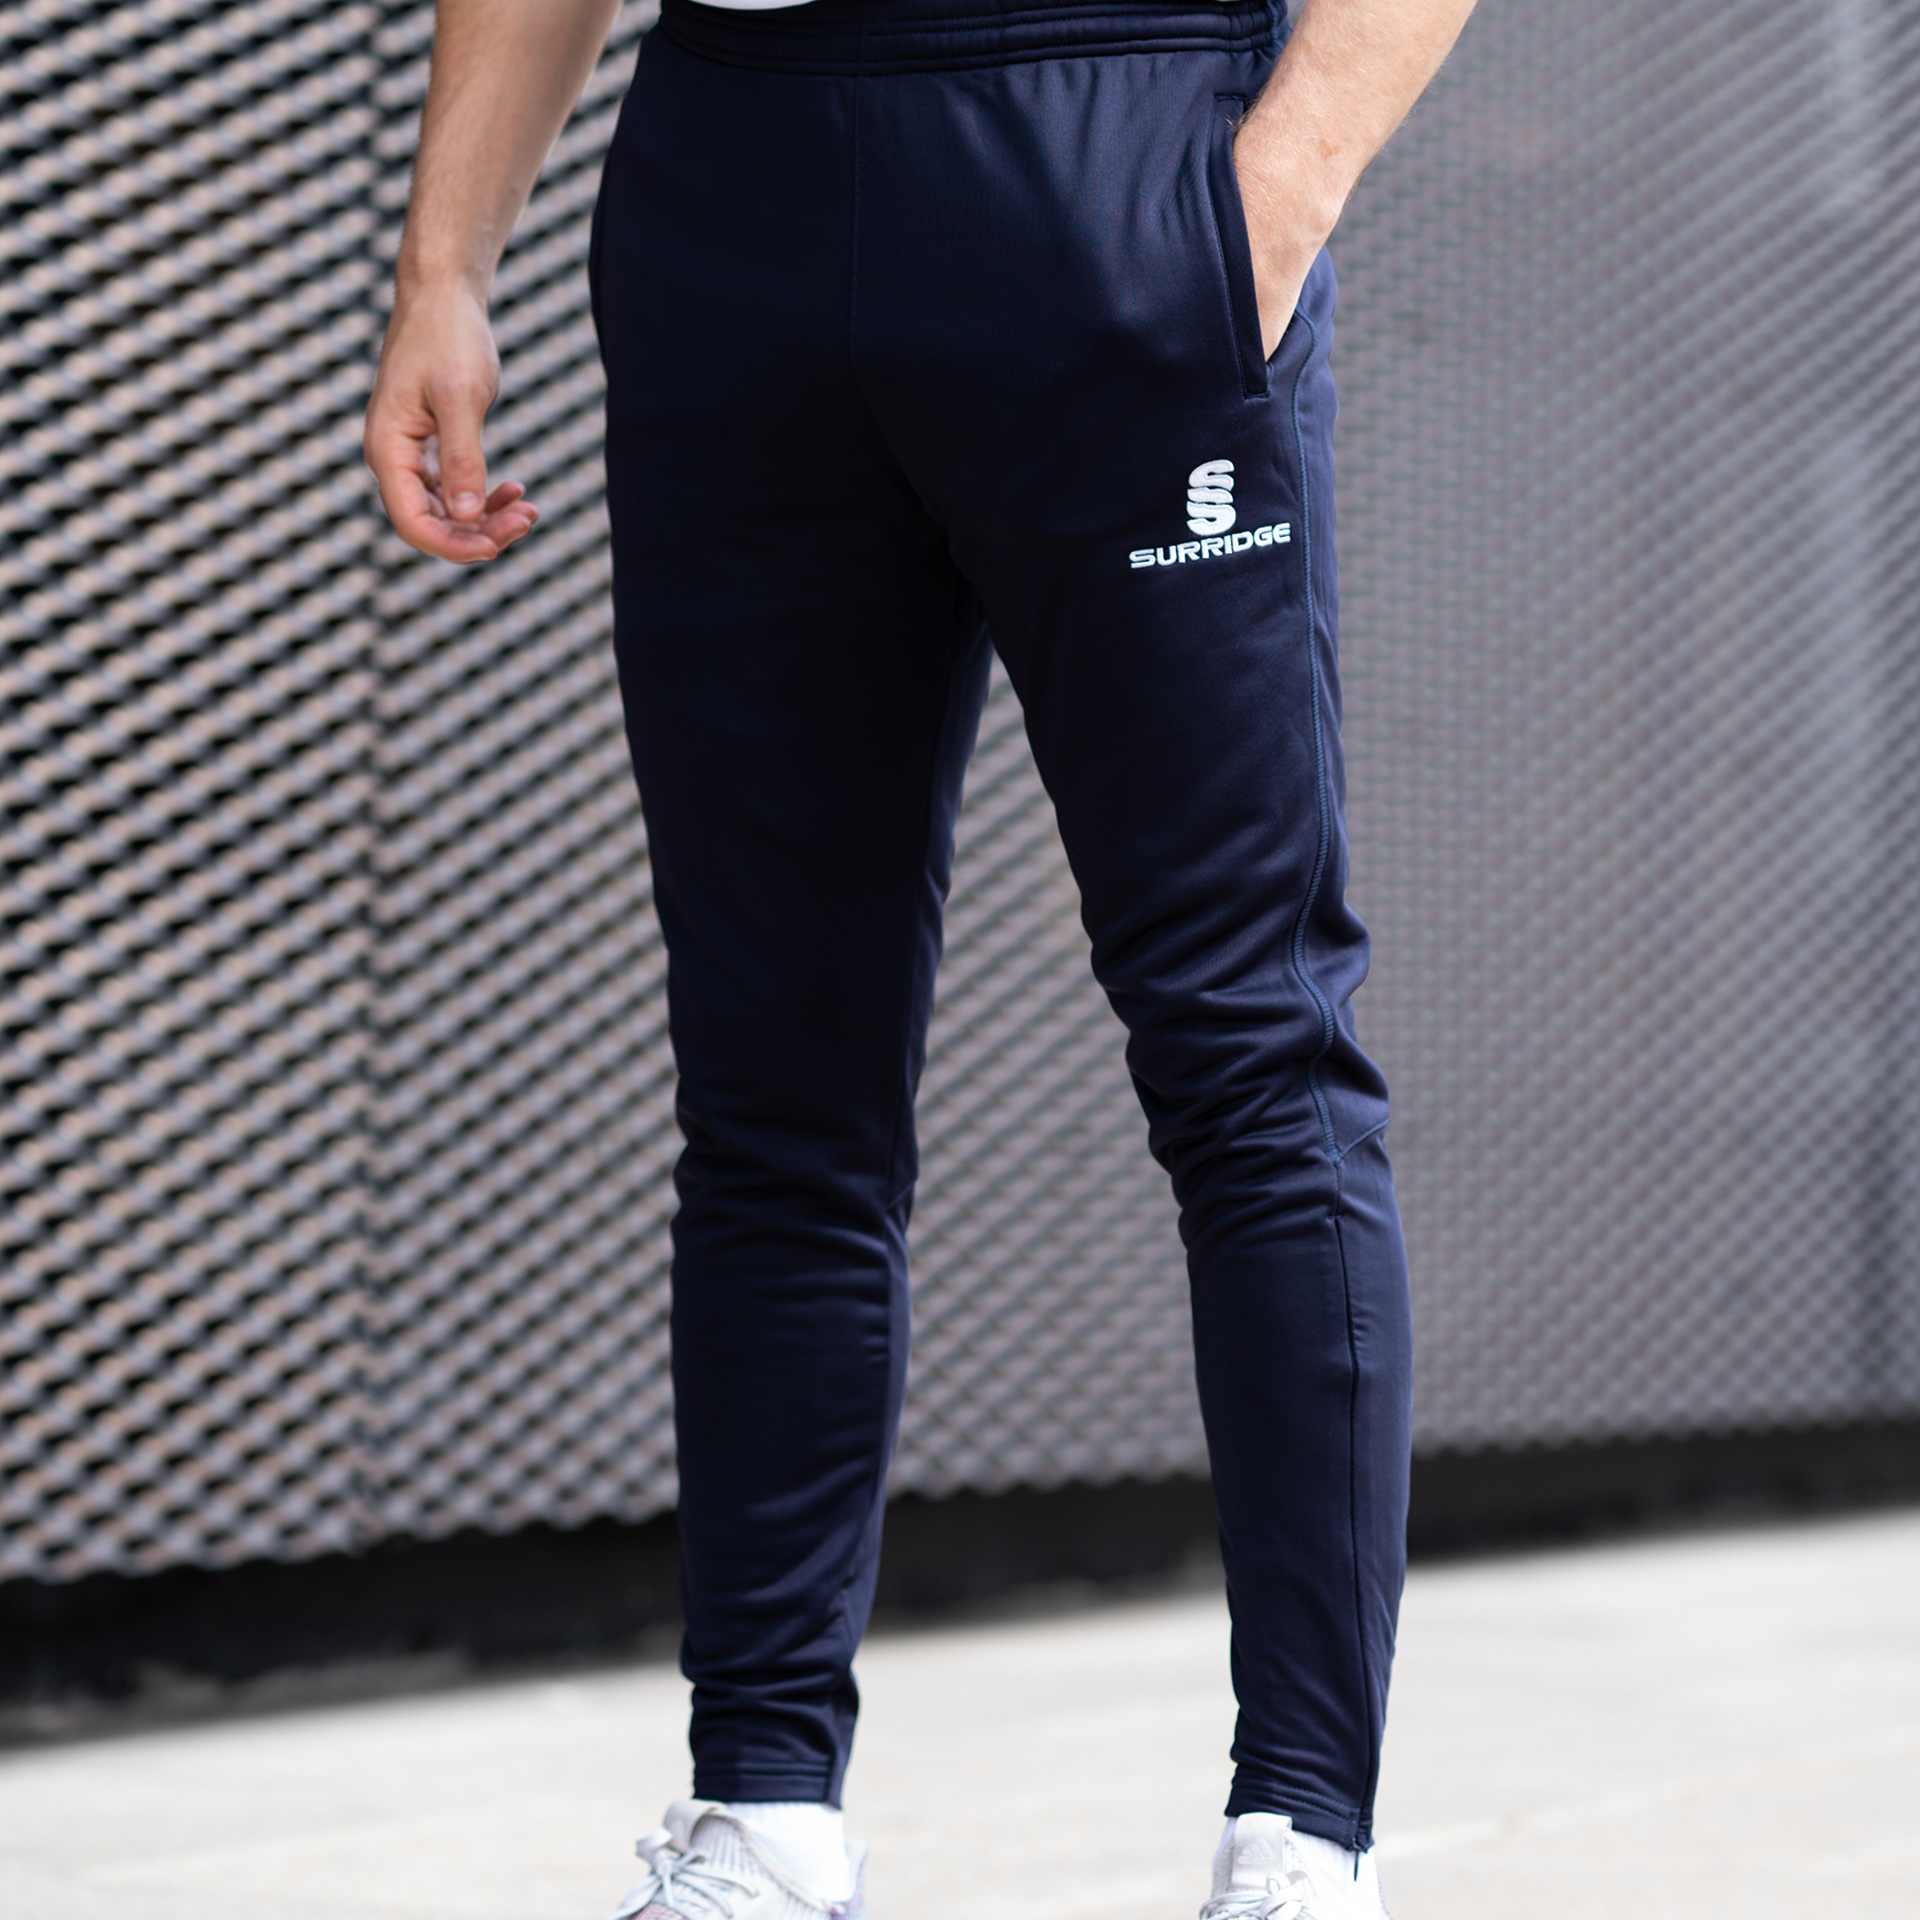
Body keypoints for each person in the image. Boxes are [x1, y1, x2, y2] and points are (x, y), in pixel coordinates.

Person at [365, 0, 1473, 1912]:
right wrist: (445, 264)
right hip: (733, 184)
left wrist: (1278, 185)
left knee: (1248, 1048)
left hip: (1115, 134)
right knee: (771, 1078)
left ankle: (1303, 1835)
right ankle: (763, 1814)